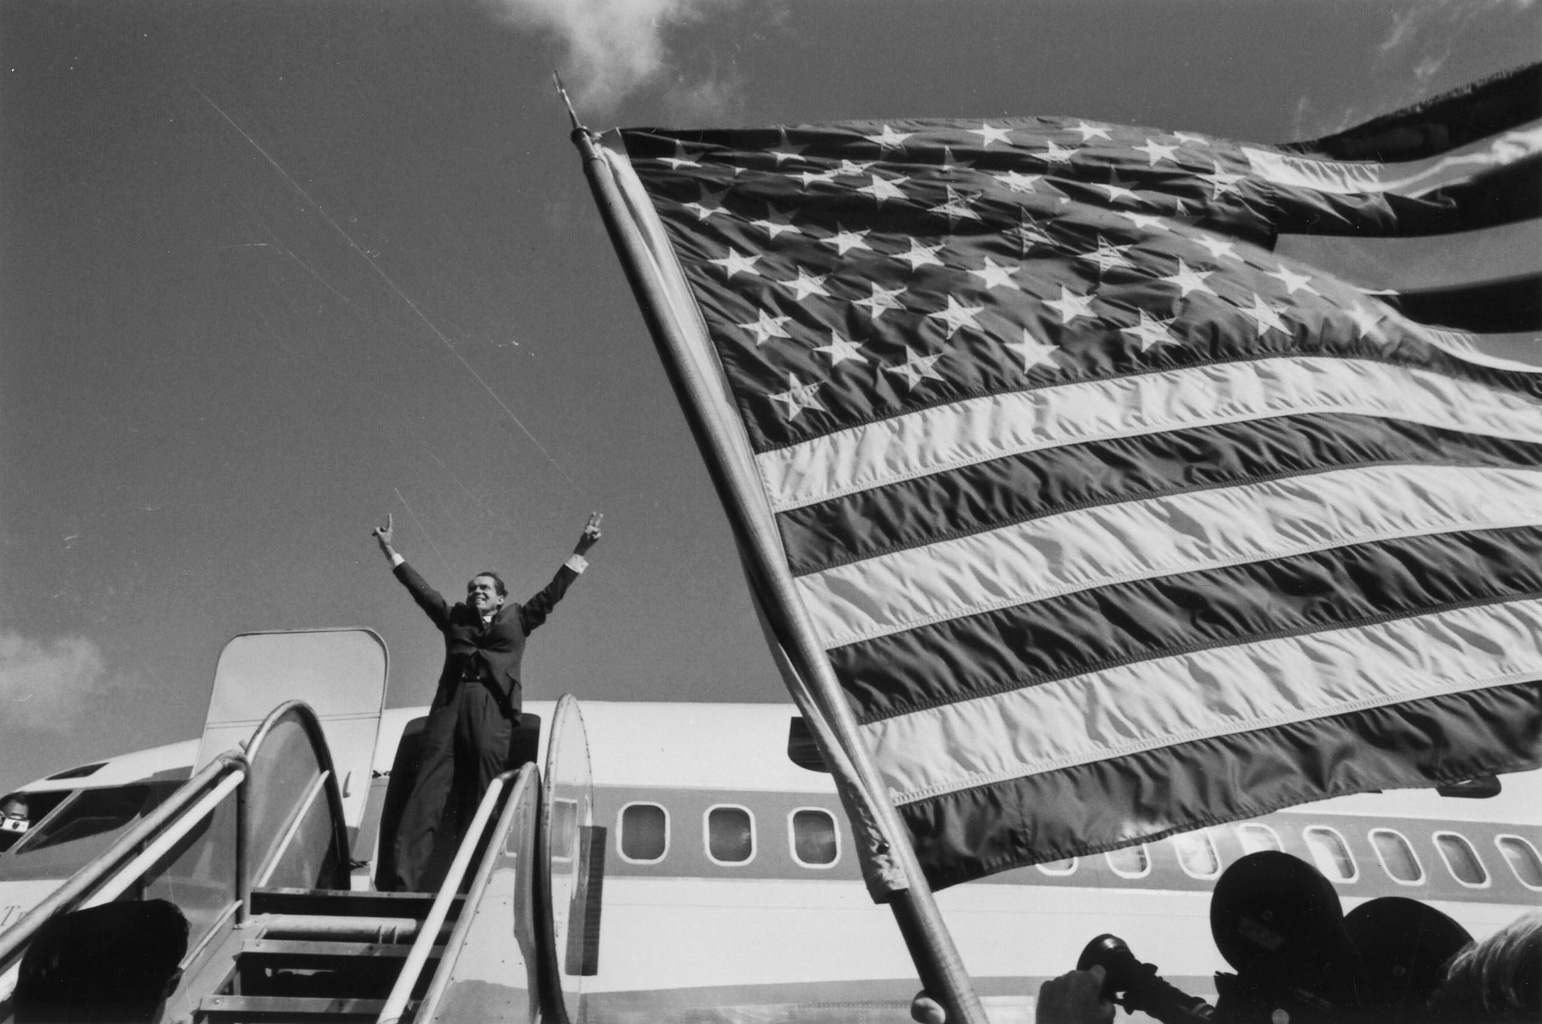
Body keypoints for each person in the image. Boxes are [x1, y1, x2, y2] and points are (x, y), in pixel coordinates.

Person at [372, 510, 602, 892]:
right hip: (451, 705)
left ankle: (477, 881)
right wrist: (390, 551)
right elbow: (422, 591)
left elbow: (554, 591)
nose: (476, 592)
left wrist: (581, 548)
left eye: (485, 588)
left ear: (500, 598)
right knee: (428, 789)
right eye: (472, 588)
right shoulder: (454, 620)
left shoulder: (520, 619)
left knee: (484, 791)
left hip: (492, 708)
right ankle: (403, 881)